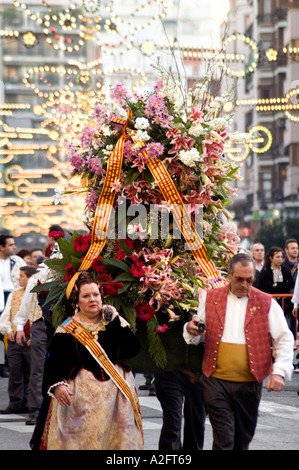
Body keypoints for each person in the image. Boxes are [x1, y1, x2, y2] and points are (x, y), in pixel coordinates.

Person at [183, 253, 294, 450]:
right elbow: (199, 331)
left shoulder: (266, 302)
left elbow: (284, 338)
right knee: (224, 439)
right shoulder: (210, 297)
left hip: (249, 384)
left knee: (242, 441)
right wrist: (190, 330)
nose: (244, 284)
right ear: (229, 276)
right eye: (239, 279)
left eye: (249, 280)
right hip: (215, 382)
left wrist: (279, 372)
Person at [30, 274, 143, 450]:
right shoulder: (67, 329)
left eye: (96, 295)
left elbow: (133, 349)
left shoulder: (114, 321)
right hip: (79, 402)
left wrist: (113, 322)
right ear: (77, 301)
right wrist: (58, 385)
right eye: (86, 296)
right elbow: (53, 362)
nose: (93, 299)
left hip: (116, 401)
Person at [0, 265, 38, 414]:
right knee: (15, 371)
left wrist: (34, 335)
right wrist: (9, 329)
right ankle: (15, 403)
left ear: (30, 279)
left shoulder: (36, 295)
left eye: (22, 275)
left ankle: (30, 402)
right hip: (15, 338)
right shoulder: (15, 293)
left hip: (30, 337)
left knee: (31, 371)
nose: (18, 278)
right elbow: (6, 315)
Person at [0, 234, 26, 376]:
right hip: (0, 298)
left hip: (13, 298)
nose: (14, 247)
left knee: (12, 330)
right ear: (1, 247)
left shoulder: (17, 261)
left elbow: (28, 278)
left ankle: (11, 363)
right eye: (10, 245)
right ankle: (2, 364)